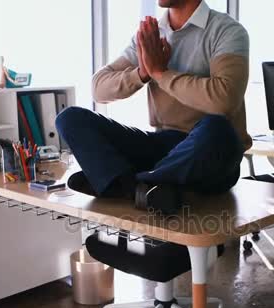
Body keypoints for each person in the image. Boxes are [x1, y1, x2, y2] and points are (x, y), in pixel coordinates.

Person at [56, 0, 251, 214]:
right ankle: (139, 188)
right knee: (70, 118)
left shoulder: (227, 31)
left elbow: (223, 100)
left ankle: (121, 182)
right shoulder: (152, 35)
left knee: (217, 128)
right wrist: (142, 73)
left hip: (211, 152)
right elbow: (98, 89)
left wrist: (160, 73)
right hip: (164, 146)